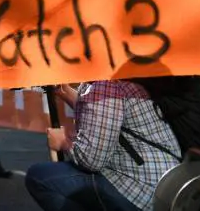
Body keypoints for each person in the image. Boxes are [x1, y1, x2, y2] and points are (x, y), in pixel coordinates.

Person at [25, 81, 181, 211]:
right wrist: (68, 95)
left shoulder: (104, 86)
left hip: (140, 189)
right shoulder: (124, 77)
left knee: (38, 177)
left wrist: (63, 142)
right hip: (166, 183)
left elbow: (92, 161)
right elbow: (108, 114)